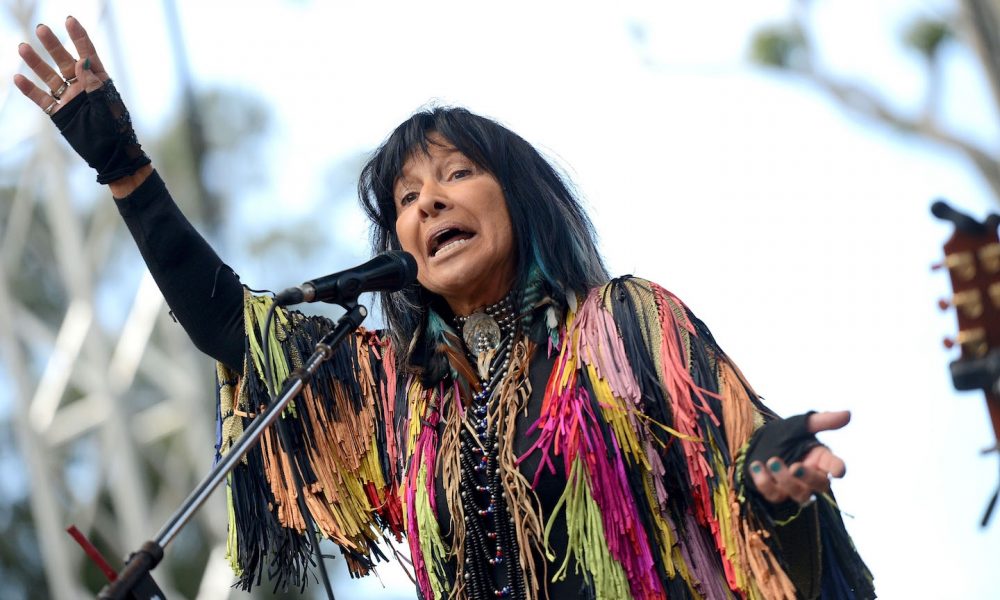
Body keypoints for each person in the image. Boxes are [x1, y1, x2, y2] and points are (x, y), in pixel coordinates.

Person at [15, 17, 874, 600]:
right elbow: (237, 329)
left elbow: (740, 465)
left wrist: (771, 482)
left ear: (521, 199)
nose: (427, 204)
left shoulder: (621, 325)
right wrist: (126, 170)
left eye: (457, 174)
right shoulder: (401, 399)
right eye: (407, 196)